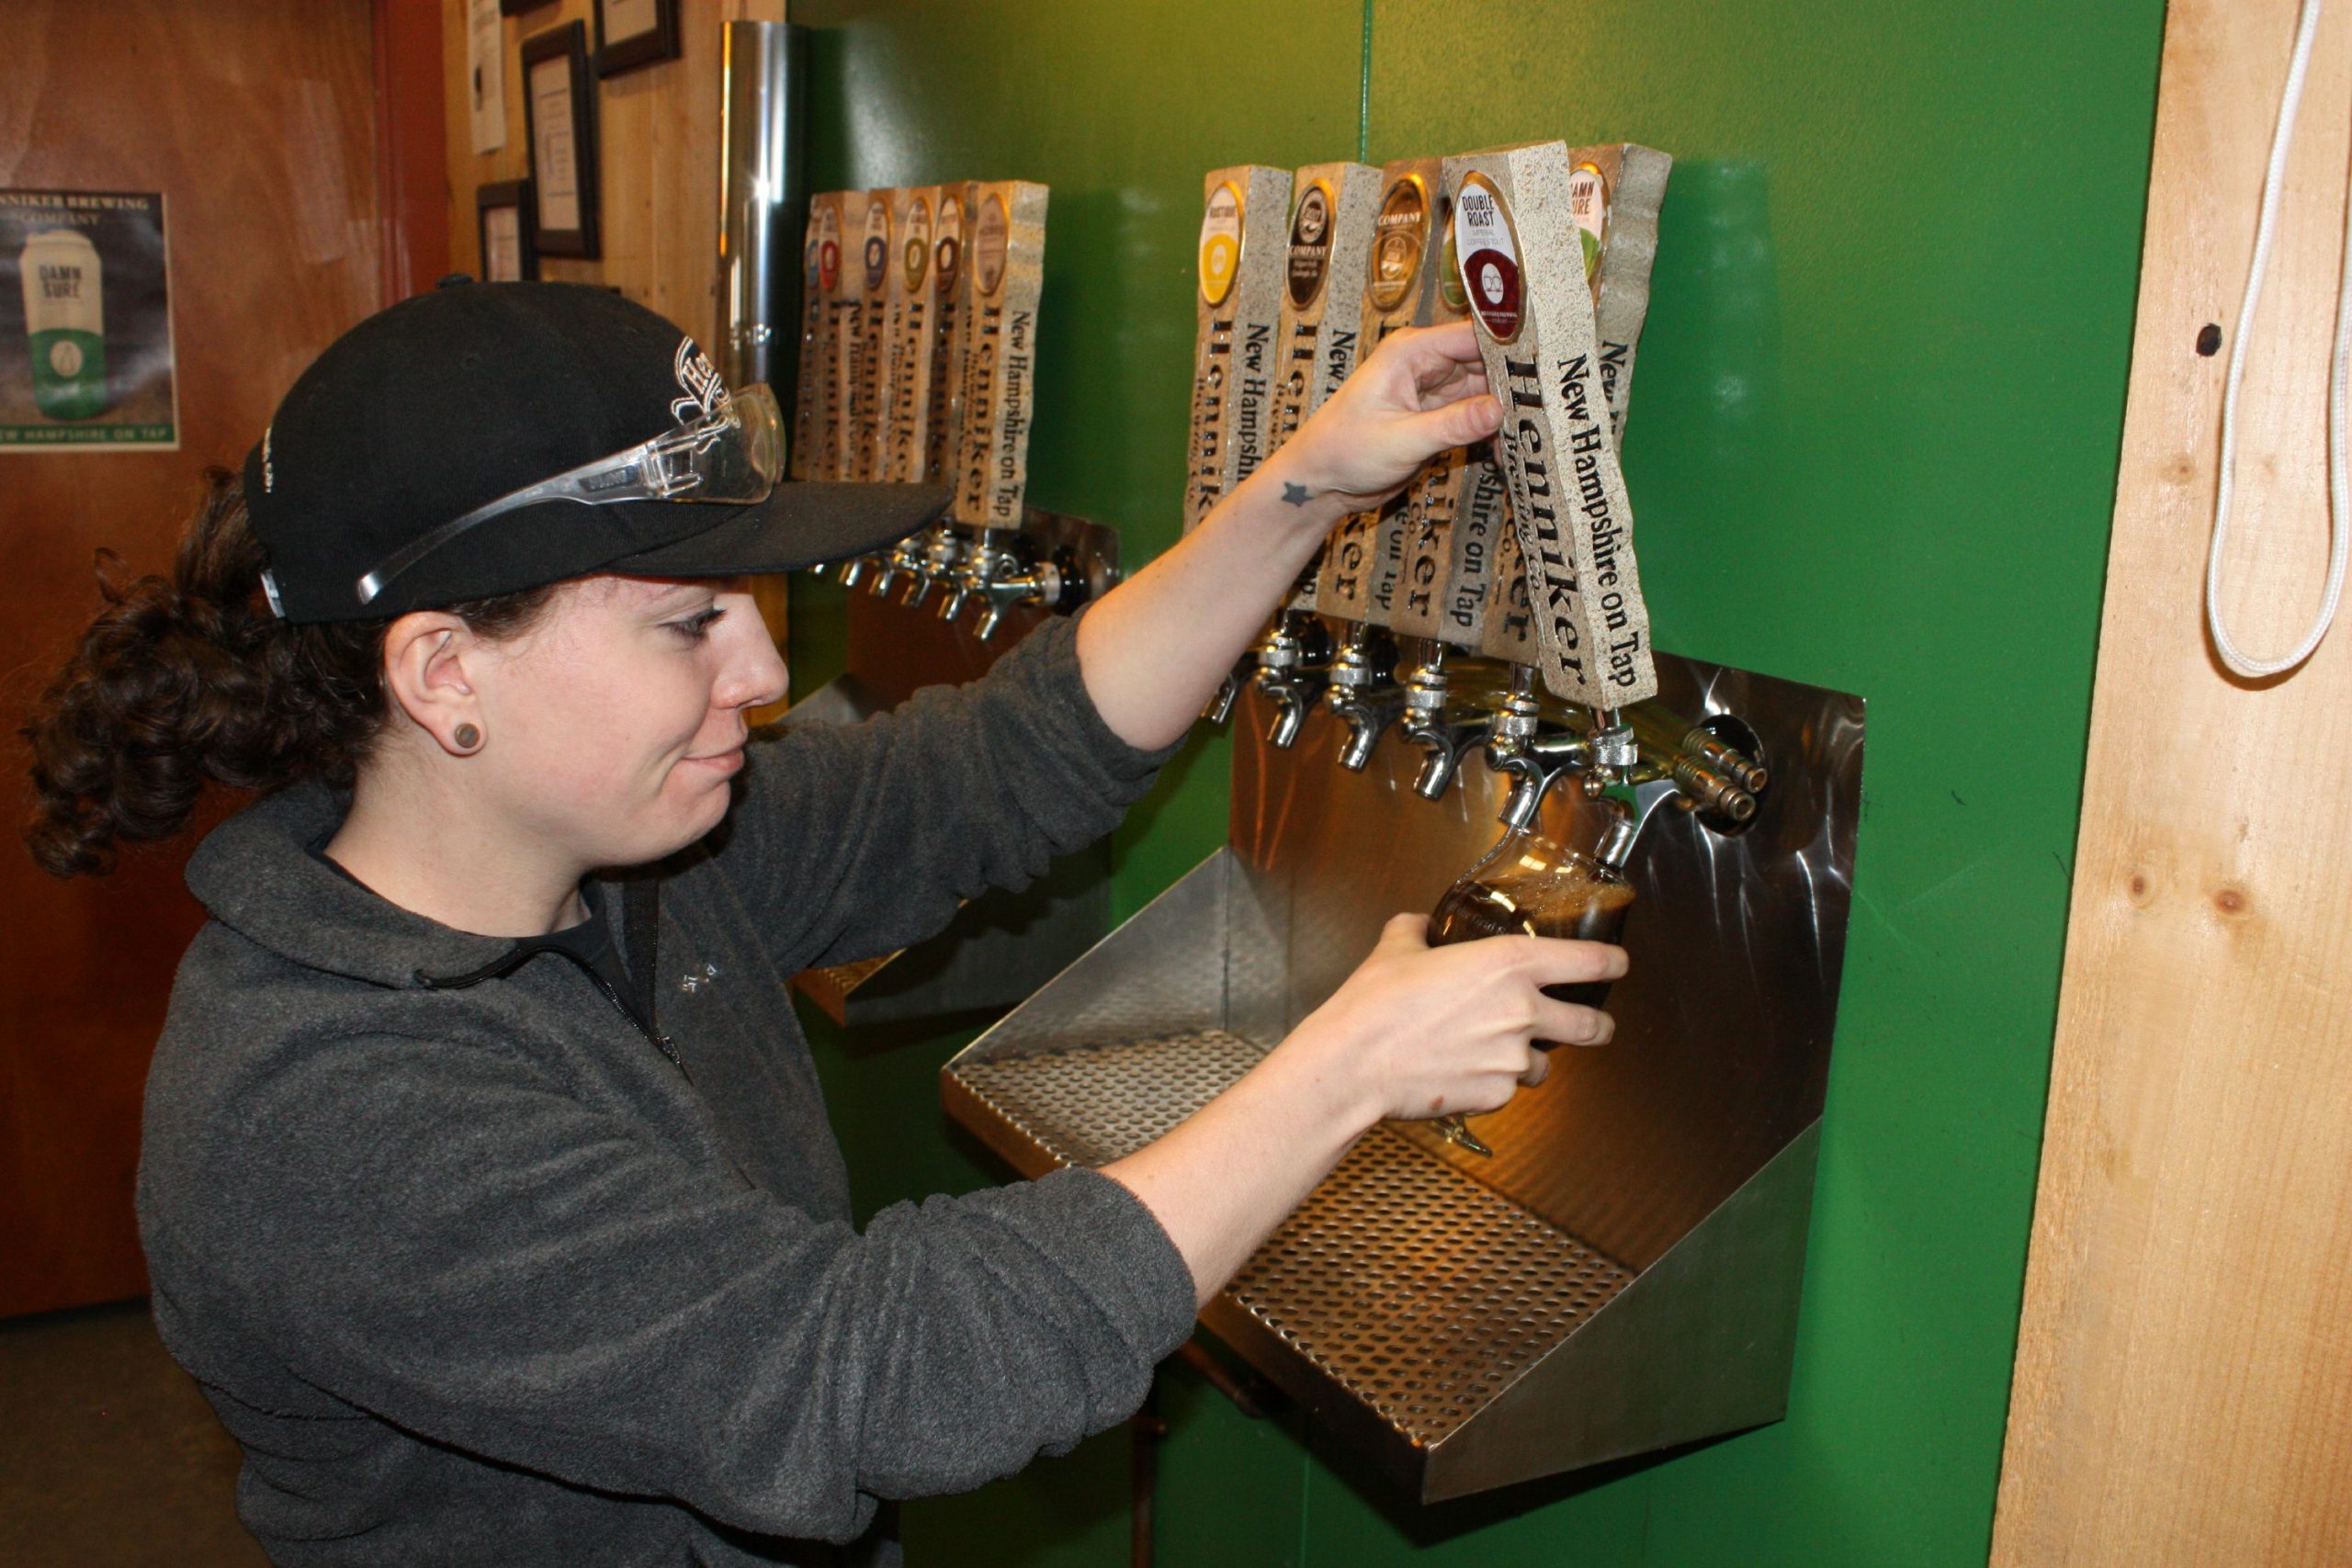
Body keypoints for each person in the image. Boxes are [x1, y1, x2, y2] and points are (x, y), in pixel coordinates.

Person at [20, 280, 1625, 1566]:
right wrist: (1340, 1071)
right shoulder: (323, 1110)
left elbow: (995, 769)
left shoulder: (627, 857)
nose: (767, 676)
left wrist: (1298, 493)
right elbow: (872, 1379)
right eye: (685, 623)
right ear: (444, 673)